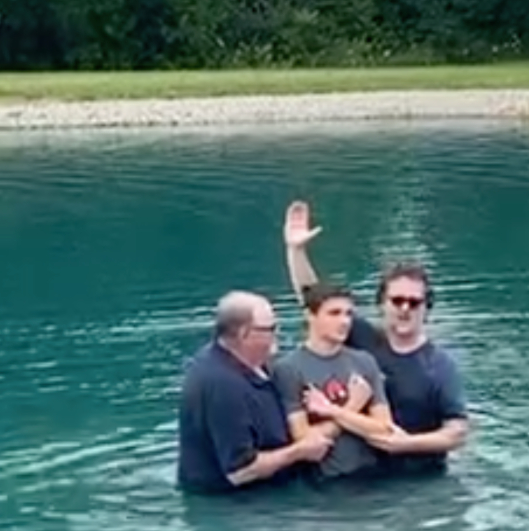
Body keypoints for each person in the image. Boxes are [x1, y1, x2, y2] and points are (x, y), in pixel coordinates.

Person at [282, 200, 469, 475]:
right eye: (397, 300)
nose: (405, 308)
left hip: (419, 477)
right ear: (383, 303)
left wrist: (408, 443)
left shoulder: (438, 366)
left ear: (426, 308)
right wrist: (296, 251)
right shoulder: (363, 338)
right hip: (365, 472)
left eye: (414, 302)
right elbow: (316, 301)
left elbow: (457, 431)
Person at [177, 290, 333, 494]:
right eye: (271, 329)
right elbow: (240, 471)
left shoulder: (253, 366)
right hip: (235, 505)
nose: (277, 335)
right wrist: (299, 452)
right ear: (244, 334)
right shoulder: (220, 385)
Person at [271, 282, 397, 482]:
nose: (344, 321)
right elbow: (306, 441)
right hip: (325, 482)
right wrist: (354, 406)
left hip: (373, 475)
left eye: (348, 314)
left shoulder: (364, 361)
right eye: (334, 313)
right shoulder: (288, 369)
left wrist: (332, 411)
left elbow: (385, 428)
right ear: (310, 316)